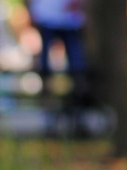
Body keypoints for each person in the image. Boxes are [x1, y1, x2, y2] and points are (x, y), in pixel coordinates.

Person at [26, 0, 89, 136]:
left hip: (70, 19)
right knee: (46, 71)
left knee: (77, 70)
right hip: (46, 16)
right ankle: (49, 116)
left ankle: (77, 115)